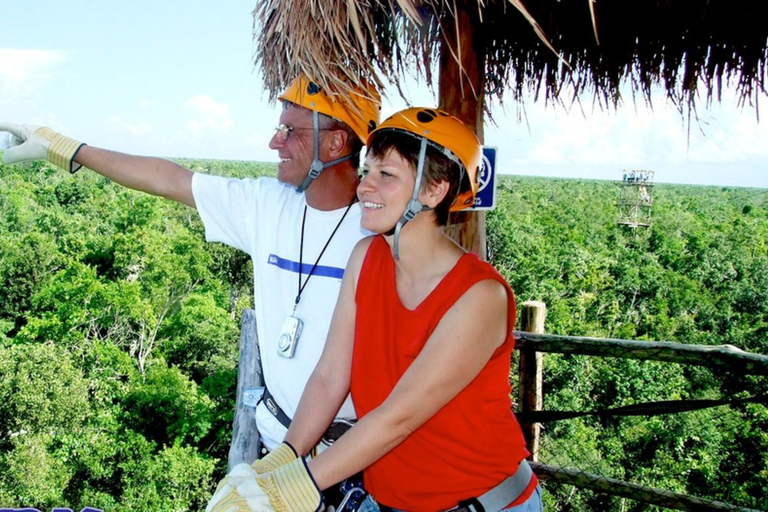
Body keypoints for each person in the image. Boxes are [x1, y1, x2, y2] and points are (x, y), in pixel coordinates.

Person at [0, 74, 381, 464]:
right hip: (276, 448)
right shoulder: (265, 206)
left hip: (347, 455)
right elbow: (168, 178)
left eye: (290, 131)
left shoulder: (380, 232)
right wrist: (64, 148)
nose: (274, 142)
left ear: (335, 141)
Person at [206, 107, 542, 512]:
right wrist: (286, 454)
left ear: (435, 191)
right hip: (387, 499)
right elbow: (330, 377)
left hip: (477, 501)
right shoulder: (365, 258)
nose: (365, 187)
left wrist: (286, 491)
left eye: (386, 176)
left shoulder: (479, 296)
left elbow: (397, 418)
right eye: (367, 172)